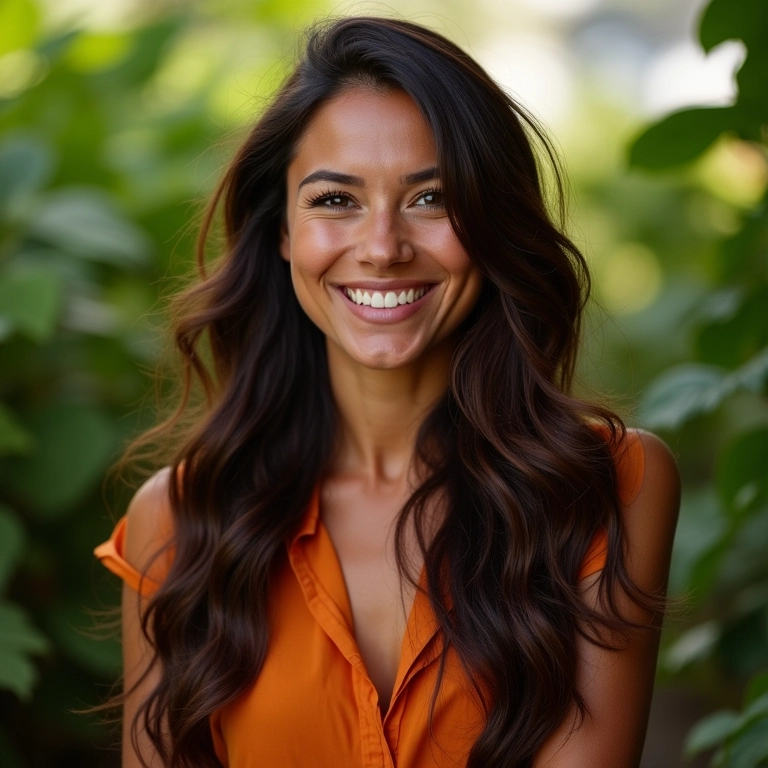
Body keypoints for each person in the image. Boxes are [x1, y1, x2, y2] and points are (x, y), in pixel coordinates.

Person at [94, 15, 680, 768]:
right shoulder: (178, 522)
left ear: (492, 224)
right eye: (336, 200)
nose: (381, 248)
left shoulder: (608, 488)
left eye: (431, 199)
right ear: (282, 233)